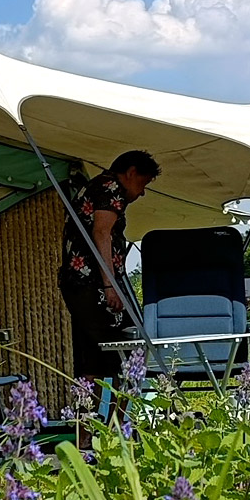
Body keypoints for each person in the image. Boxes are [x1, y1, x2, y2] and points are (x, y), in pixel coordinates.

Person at [59, 150, 161, 392]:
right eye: (142, 183)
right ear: (131, 172)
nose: (142, 191)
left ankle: (87, 428)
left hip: (81, 284)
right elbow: (102, 232)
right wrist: (110, 286)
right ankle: (120, 423)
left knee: (91, 358)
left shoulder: (97, 187)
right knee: (129, 348)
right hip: (92, 284)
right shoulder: (110, 189)